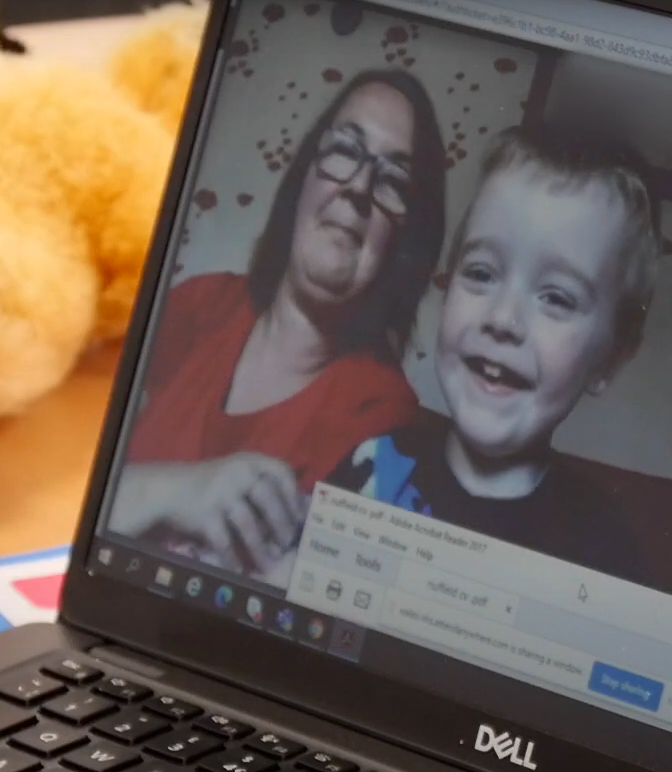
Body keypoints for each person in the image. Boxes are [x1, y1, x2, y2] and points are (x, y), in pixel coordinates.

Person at [107, 69, 449, 579]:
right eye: (344, 152)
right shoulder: (200, 304)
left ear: (405, 243)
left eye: (394, 181)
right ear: (303, 179)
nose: (358, 186)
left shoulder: (383, 418)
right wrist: (175, 489)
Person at [324, 123, 660, 580]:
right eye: (481, 273)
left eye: (557, 298)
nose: (502, 319)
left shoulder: (601, 551)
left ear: (610, 359)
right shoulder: (374, 467)